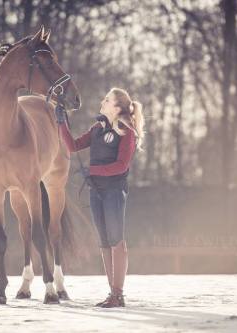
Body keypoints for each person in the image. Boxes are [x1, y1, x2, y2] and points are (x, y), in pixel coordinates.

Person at [55, 87, 145, 308]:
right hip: (96, 192)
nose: (102, 102)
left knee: (117, 242)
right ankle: (112, 294)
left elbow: (121, 166)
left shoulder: (127, 132)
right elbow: (73, 146)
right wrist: (61, 122)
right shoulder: (97, 129)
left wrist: (93, 171)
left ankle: (118, 294)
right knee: (104, 243)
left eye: (107, 100)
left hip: (114, 191)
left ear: (116, 107)